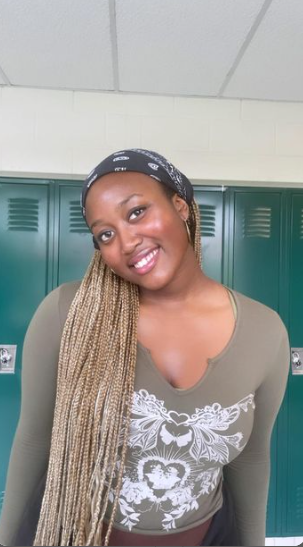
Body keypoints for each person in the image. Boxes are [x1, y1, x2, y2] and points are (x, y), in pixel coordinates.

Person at [0, 149, 290, 547]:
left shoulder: (265, 330)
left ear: (181, 206)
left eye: (136, 212)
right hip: (79, 536)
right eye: (105, 234)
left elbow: (251, 459)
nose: (127, 241)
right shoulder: (67, 313)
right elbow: (34, 439)